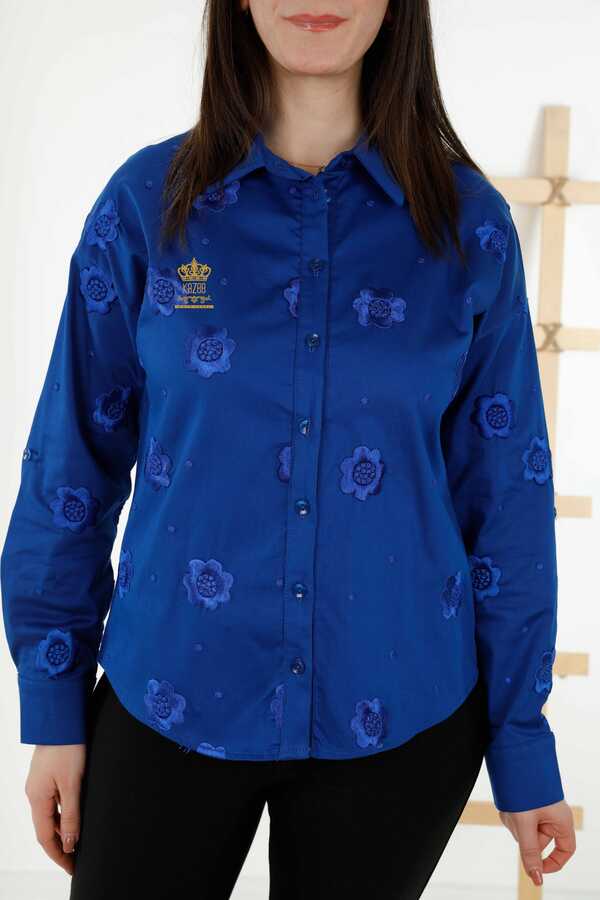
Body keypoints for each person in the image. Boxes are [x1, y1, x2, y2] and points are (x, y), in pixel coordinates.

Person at [1, 2, 577, 898]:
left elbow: (506, 494)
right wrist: (54, 704)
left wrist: (522, 741)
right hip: (170, 693)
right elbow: (70, 461)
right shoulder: (146, 206)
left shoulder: (471, 228)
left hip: (401, 711)